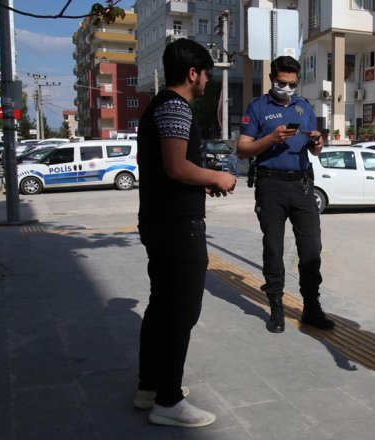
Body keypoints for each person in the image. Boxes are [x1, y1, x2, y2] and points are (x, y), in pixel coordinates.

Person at [136, 39, 236, 428]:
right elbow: (177, 166)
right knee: (181, 312)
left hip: (160, 220)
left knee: (160, 307)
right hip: (177, 226)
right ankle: (168, 400)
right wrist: (217, 176)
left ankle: (150, 387)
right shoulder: (176, 108)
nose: (208, 81)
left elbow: (167, 169)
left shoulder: (157, 107)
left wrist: (201, 183)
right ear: (193, 73)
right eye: (207, 72)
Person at [237, 56, 334, 334]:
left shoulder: (304, 107)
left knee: (312, 249)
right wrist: (270, 139)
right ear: (271, 78)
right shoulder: (257, 107)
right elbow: (242, 149)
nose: (287, 88)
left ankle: (312, 307)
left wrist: (317, 143)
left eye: (292, 83)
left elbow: (316, 151)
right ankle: (276, 307)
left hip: (302, 185)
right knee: (274, 249)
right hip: (271, 185)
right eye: (282, 83)